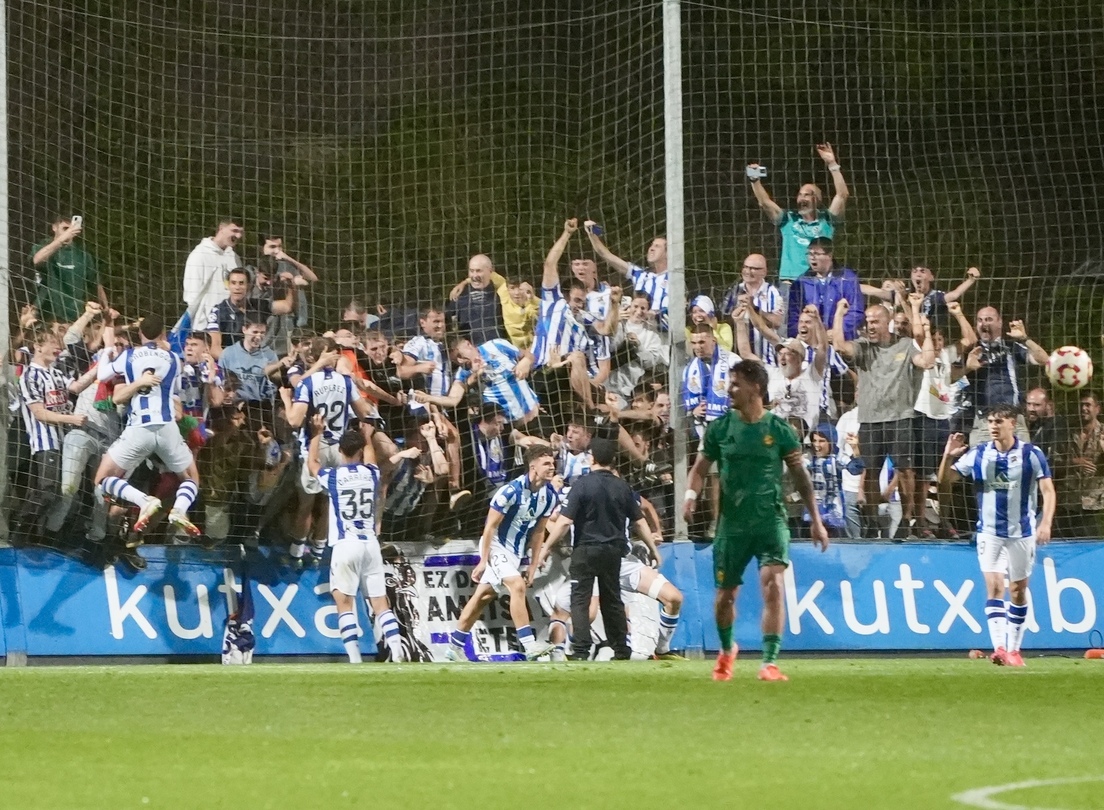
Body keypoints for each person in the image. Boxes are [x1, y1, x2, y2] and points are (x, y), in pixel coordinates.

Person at [684, 359, 829, 682]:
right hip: (731, 525)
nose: (729, 389)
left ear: (756, 388)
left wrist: (816, 520)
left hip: (770, 521)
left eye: (735, 384)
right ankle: (726, 651)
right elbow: (699, 470)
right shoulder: (720, 428)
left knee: (773, 586)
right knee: (725, 595)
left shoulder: (778, 430)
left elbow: (801, 477)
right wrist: (690, 498)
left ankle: (770, 661)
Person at [938, 405, 1055, 667]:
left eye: (998, 421)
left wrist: (1045, 523)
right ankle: (1000, 648)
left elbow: (1048, 490)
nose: (993, 426)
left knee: (1017, 591)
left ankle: (1014, 649)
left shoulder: (1031, 454)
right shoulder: (979, 454)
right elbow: (945, 482)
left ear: (1012, 424)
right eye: (990, 421)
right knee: (994, 587)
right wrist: (947, 457)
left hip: (1021, 533)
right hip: (988, 533)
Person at [540, 438, 659, 660]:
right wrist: (653, 548)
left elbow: (565, 521)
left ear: (592, 457)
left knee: (581, 599)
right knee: (612, 600)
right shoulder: (622, 486)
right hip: (614, 551)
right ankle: (622, 649)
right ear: (612, 460)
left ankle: (581, 650)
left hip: (586, 550)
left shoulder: (582, 485)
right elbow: (639, 521)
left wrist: (546, 547)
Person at [832, 295, 935, 539]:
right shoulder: (863, 347)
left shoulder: (906, 345)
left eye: (876, 321)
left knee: (905, 469)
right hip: (870, 419)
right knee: (870, 470)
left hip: (900, 417)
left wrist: (928, 334)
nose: (870, 325)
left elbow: (928, 361)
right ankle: (871, 519)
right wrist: (838, 315)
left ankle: (907, 519)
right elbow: (838, 346)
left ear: (888, 322)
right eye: (868, 321)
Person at [305, 417, 405, 663]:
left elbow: (312, 463)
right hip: (370, 544)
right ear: (360, 451)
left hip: (345, 544)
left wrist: (316, 433)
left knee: (344, 602)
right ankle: (399, 651)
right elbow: (370, 457)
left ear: (340, 451)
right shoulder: (371, 473)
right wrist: (367, 435)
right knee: (380, 603)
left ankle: (355, 659)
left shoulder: (334, 477)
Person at [446, 446, 559, 662]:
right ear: (532, 466)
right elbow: (489, 528)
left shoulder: (550, 496)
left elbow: (538, 532)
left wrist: (533, 565)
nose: (552, 467)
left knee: (483, 597)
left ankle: (454, 646)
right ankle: (530, 646)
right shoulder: (510, 491)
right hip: (496, 546)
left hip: (514, 554)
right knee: (517, 586)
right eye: (546, 463)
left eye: (553, 463)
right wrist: (483, 560)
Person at [93, 315, 202, 536]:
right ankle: (179, 510)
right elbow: (175, 387)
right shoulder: (174, 359)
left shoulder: (130, 356)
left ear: (140, 333)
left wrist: (107, 349)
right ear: (163, 333)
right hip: (167, 427)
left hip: (139, 429)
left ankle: (143, 501)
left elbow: (103, 374)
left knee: (102, 480)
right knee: (192, 479)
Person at [14, 329, 89, 539]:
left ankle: (43, 534)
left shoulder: (56, 373)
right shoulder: (29, 375)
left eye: (59, 344)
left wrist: (100, 367)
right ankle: (21, 529)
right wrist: (71, 419)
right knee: (46, 491)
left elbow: (76, 386)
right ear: (38, 347)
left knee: (67, 492)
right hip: (45, 441)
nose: (59, 348)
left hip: (66, 441)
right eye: (53, 344)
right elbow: (39, 413)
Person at [747, 143, 849, 286]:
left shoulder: (827, 220)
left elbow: (842, 195)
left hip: (819, 282)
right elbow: (764, 202)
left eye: (807, 195)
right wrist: (754, 180)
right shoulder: (788, 219)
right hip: (790, 284)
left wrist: (832, 164)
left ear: (817, 200)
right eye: (800, 195)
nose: (802, 198)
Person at [959, 307, 1049, 446]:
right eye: (980, 320)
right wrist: (968, 368)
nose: (984, 324)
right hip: (985, 423)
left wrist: (1025, 339)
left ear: (1000, 322)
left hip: (1014, 421)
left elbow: (1044, 360)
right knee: (981, 467)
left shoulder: (1011, 347)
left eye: (989, 319)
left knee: (1022, 466)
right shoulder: (970, 351)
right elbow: (950, 378)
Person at [584, 220, 669, 327]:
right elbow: (606, 255)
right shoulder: (640, 273)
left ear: (667, 253)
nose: (651, 249)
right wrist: (591, 234)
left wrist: (652, 315)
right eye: (651, 245)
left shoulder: (675, 279)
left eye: (657, 246)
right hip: (636, 329)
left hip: (660, 334)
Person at [31, 214, 109, 324]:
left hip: (73, 315)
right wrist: (61, 240)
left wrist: (106, 307)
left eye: (72, 229)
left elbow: (96, 283)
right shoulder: (43, 247)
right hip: (46, 313)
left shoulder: (83, 255)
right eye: (65, 229)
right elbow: (36, 260)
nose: (69, 233)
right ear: (54, 227)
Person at [207, 267, 296, 358]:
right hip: (230, 363)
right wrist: (237, 362)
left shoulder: (257, 304)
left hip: (256, 361)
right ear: (228, 285)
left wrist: (290, 285)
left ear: (249, 286)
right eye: (233, 283)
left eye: (241, 283)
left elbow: (287, 307)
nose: (237, 287)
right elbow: (214, 350)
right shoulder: (219, 311)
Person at [787, 237, 864, 340]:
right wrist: (801, 334)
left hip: (841, 340)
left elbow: (856, 312)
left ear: (830, 255)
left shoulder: (847, 278)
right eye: (809, 254)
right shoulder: (801, 283)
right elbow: (793, 316)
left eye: (817, 254)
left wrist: (838, 331)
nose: (812, 258)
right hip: (811, 342)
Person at [182, 217, 244, 331]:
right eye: (234, 231)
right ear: (221, 228)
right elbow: (191, 296)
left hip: (231, 326)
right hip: (205, 328)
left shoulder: (234, 258)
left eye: (241, 232)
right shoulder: (199, 255)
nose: (238, 236)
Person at [720, 254, 783, 364]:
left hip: (767, 359)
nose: (748, 271)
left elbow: (777, 323)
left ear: (764, 272)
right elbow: (723, 320)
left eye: (753, 268)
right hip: (740, 358)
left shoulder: (772, 292)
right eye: (746, 267)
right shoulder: (735, 290)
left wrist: (755, 309)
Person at [445, 254, 508, 346]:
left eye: (479, 271)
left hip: (499, 347)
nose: (474, 275)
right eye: (471, 271)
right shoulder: (459, 295)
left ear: (490, 271)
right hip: (471, 352)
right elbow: (447, 323)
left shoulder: (501, 293)